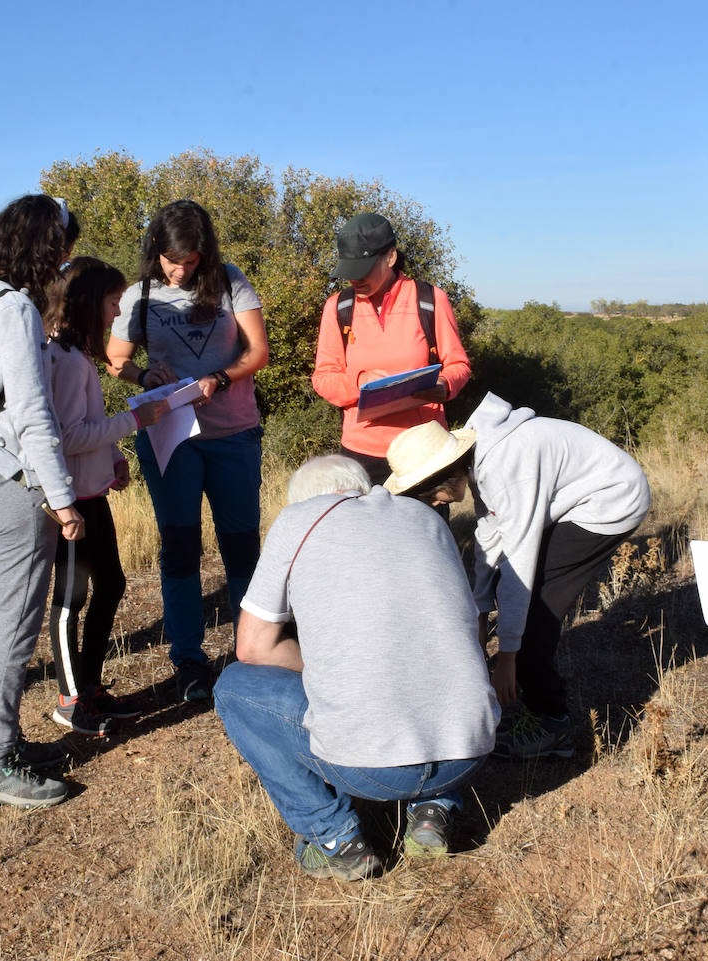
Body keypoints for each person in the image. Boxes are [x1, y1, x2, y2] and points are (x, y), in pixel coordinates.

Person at [213, 455, 499, 881]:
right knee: (432, 657)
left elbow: (253, 647)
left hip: (369, 772)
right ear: (359, 486)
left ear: (304, 501)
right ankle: (435, 806)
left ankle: (334, 837)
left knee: (234, 685)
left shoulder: (298, 520)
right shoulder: (425, 517)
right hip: (469, 753)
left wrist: (325, 668)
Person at [385, 394, 650, 761]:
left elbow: (518, 564)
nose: (436, 505)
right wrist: (479, 611)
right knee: (524, 602)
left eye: (431, 497)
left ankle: (552, 723)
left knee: (537, 603)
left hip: (611, 500)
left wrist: (507, 655)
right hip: (578, 498)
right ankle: (536, 698)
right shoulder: (480, 462)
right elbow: (489, 535)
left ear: (444, 474)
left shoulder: (506, 467)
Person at [0, 195, 88, 809]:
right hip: (11, 484)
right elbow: (34, 416)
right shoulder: (16, 309)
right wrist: (64, 502)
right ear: (42, 245)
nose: (65, 259)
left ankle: (1, 743)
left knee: (7, 617)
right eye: (61, 246)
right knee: (12, 622)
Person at [105, 200, 269, 702]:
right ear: (156, 250)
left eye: (190, 261)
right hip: (170, 439)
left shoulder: (230, 280)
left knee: (241, 545)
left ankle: (254, 655)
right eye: (171, 260)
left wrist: (219, 378)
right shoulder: (140, 295)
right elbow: (115, 360)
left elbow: (257, 352)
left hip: (234, 432)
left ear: (206, 254)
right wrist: (141, 374)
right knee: (180, 548)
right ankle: (190, 663)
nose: (179, 270)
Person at [41, 257, 168, 736]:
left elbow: (83, 428)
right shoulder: (66, 360)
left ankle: (88, 685)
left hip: (91, 493)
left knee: (111, 585)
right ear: (90, 302)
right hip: (70, 502)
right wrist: (135, 421)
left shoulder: (76, 356)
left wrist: (113, 456)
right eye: (113, 302)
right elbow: (67, 437)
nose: (118, 313)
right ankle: (70, 699)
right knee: (70, 601)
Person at [311, 212, 470, 486]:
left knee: (425, 529)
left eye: (363, 269)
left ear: (390, 257)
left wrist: (444, 385)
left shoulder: (430, 300)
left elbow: (459, 365)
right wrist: (359, 383)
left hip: (424, 449)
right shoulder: (338, 308)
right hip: (361, 454)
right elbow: (323, 377)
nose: (355, 280)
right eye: (349, 272)